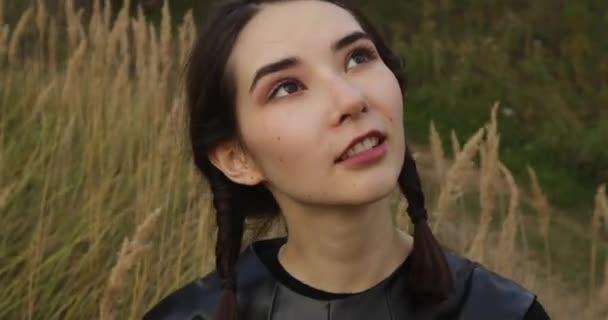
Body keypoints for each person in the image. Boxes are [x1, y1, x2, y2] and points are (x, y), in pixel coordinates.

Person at [144, 0, 550, 319]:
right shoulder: (187, 316)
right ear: (237, 158)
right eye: (287, 87)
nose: (352, 100)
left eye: (357, 58)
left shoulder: (502, 313)